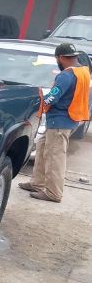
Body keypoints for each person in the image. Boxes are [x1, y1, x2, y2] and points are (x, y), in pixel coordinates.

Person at [18, 42, 91, 202]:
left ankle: (53, 193)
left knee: (55, 157)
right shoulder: (84, 71)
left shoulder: (66, 75)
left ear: (61, 58)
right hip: (69, 120)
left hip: (60, 122)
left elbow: (53, 97)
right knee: (43, 149)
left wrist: (40, 104)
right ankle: (37, 183)